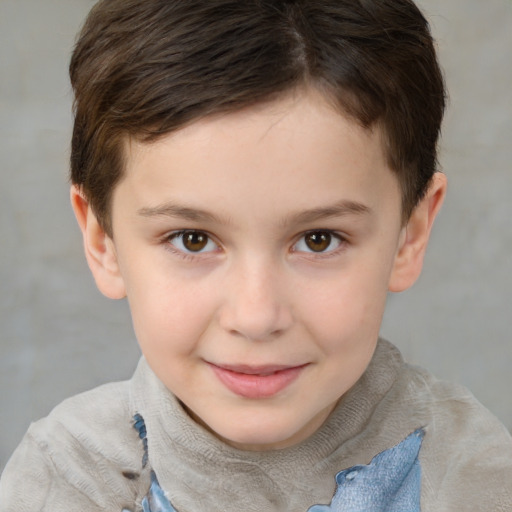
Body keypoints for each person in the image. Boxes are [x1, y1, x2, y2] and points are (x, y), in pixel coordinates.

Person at [1, 0, 511, 510]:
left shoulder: (477, 479)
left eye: (319, 239)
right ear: (101, 240)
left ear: (410, 234)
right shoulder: (62, 481)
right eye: (193, 239)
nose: (256, 316)